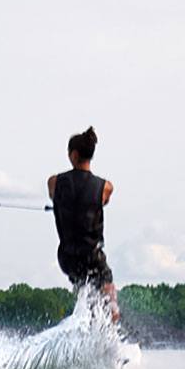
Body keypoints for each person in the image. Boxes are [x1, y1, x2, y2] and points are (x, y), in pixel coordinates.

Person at [48, 126, 118, 321]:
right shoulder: (105, 187)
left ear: (73, 155)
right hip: (92, 257)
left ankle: (88, 320)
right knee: (109, 299)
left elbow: (54, 194)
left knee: (86, 291)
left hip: (67, 258)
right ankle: (110, 323)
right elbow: (103, 200)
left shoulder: (54, 182)